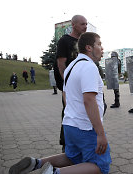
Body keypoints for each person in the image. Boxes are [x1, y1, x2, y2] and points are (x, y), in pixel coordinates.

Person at [9, 32, 111, 174]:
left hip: (70, 124)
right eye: (99, 44)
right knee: (100, 167)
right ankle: (53, 173)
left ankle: (36, 163)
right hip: (86, 127)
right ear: (89, 47)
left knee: (73, 158)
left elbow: (65, 94)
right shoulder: (89, 67)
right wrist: (100, 133)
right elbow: (89, 100)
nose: (102, 48)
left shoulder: (71, 67)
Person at [54, 15, 87, 152]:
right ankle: (66, 145)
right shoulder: (64, 41)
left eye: (86, 24)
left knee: (85, 113)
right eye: (82, 24)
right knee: (69, 113)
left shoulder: (84, 42)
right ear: (74, 25)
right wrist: (67, 87)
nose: (85, 26)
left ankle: (82, 143)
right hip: (70, 86)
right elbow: (61, 65)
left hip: (84, 85)